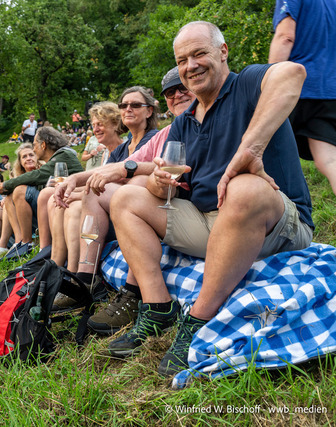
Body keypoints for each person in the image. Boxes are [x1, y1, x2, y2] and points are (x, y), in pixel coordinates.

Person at [106, 21, 312, 377]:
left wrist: (252, 147)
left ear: (223, 52)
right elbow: (167, 188)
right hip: (210, 224)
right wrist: (158, 181)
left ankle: (198, 319)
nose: (190, 66)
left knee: (244, 188)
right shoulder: (184, 122)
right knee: (125, 197)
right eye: (182, 60)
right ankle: (157, 307)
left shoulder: (246, 84)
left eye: (199, 53)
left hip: (276, 224)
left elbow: (292, 74)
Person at [54, 68, 195, 334]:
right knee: (93, 191)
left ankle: (133, 292)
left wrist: (129, 173)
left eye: (182, 88)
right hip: (161, 203)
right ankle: (84, 276)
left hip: (183, 207)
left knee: (135, 187)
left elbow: (134, 170)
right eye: (170, 92)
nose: (177, 95)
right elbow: (119, 167)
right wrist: (76, 178)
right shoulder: (168, 132)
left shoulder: (187, 128)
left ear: (150, 111)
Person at [49, 90, 159, 277]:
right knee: (60, 200)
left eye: (135, 105)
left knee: (76, 205)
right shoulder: (123, 148)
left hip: (135, 212)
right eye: (123, 105)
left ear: (149, 111)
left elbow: (125, 178)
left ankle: (78, 273)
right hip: (112, 205)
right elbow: (103, 174)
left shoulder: (153, 139)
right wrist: (73, 181)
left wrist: (77, 189)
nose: (128, 109)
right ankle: (62, 269)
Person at [0, 126, 83, 259]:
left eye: (35, 145)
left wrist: (2, 186)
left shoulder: (64, 155)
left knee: (20, 191)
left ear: (43, 145)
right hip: (59, 203)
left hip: (70, 203)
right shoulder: (59, 157)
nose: (34, 149)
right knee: (11, 195)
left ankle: (27, 243)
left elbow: (37, 175)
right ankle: (18, 243)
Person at [269, 0, 336, 195]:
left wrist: (269, 81)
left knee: (264, 153)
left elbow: (285, 37)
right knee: (329, 160)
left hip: (297, 87)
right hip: (329, 90)